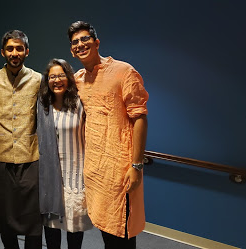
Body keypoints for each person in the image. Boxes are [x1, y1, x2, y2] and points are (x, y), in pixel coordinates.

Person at [67, 21, 149, 249]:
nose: (80, 45)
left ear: (96, 42)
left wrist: (137, 165)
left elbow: (140, 117)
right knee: (105, 230)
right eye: (75, 42)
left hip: (120, 170)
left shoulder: (124, 72)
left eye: (85, 39)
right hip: (95, 171)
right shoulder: (79, 80)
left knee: (122, 234)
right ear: (71, 50)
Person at [0, 30, 43, 249]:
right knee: (5, 218)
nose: (14, 53)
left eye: (19, 48)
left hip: (30, 157)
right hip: (1, 157)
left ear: (26, 52)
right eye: (10, 48)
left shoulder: (38, 79)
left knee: (33, 217)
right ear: (3, 52)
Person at [37, 59, 93, 249]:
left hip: (75, 180)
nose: (57, 80)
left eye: (61, 75)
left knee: (74, 238)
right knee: (51, 235)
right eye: (52, 76)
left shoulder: (80, 104)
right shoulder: (43, 107)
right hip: (50, 179)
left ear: (68, 78)